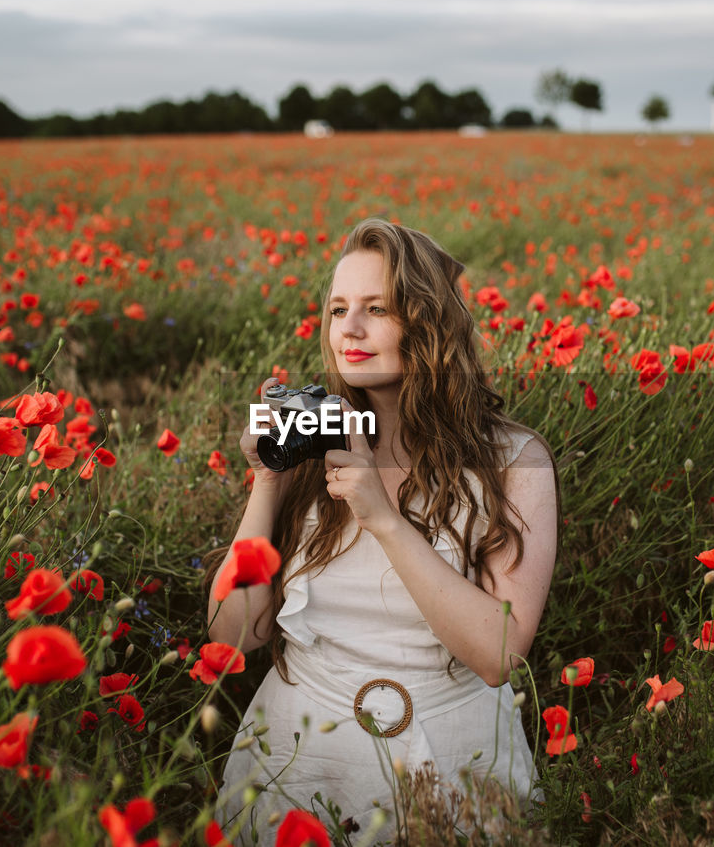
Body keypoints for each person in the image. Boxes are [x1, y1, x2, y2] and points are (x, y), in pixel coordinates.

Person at [207, 218, 559, 845]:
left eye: (377, 309)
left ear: (429, 323)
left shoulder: (515, 461)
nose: (349, 328)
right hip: (297, 755)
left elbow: (500, 653)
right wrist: (267, 479)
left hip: (453, 763)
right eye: (338, 309)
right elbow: (233, 638)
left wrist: (381, 517)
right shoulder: (313, 439)